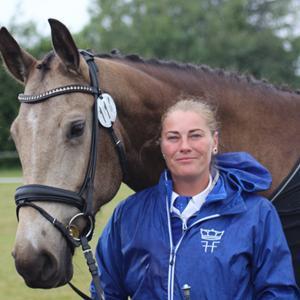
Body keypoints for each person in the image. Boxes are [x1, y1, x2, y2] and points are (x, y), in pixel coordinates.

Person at [91, 98, 300, 299]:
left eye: (195, 135)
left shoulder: (257, 214)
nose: (184, 146)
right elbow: (105, 291)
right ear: (162, 147)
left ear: (214, 142)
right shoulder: (128, 214)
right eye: (173, 137)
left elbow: (278, 292)